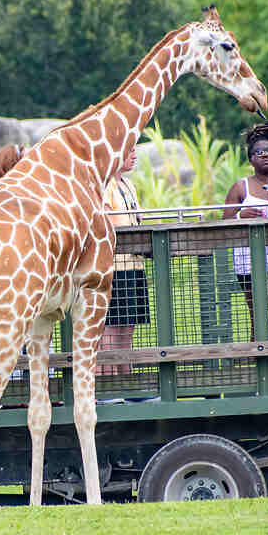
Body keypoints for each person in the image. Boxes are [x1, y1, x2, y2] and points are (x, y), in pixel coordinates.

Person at [224, 123, 268, 343]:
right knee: (261, 316)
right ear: (250, 159)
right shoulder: (240, 187)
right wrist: (241, 217)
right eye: (258, 153)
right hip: (249, 263)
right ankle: (259, 366)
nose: (264, 156)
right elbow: (224, 223)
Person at [99, 147, 149, 376]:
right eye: (129, 150)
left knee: (129, 324)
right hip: (114, 265)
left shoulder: (129, 185)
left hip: (135, 263)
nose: (134, 155)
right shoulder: (104, 184)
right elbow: (107, 221)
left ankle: (126, 376)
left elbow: (138, 218)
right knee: (112, 325)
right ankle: (109, 380)